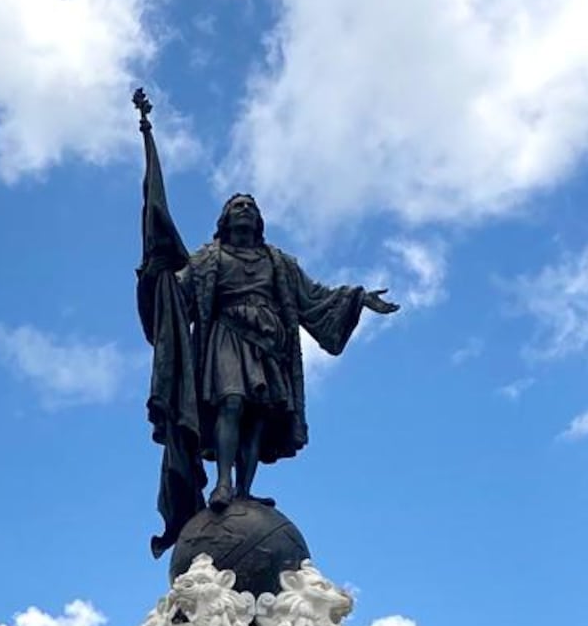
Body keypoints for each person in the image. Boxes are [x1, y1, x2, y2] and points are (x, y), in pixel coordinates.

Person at [134, 90, 398, 550]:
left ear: (259, 221)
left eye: (250, 206)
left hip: (269, 344)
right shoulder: (210, 257)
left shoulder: (279, 262)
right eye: (237, 205)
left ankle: (245, 489)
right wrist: (158, 277)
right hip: (226, 337)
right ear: (225, 218)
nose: (245, 209)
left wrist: (356, 298)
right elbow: (179, 290)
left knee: (258, 416)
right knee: (231, 402)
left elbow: (313, 298)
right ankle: (222, 482)